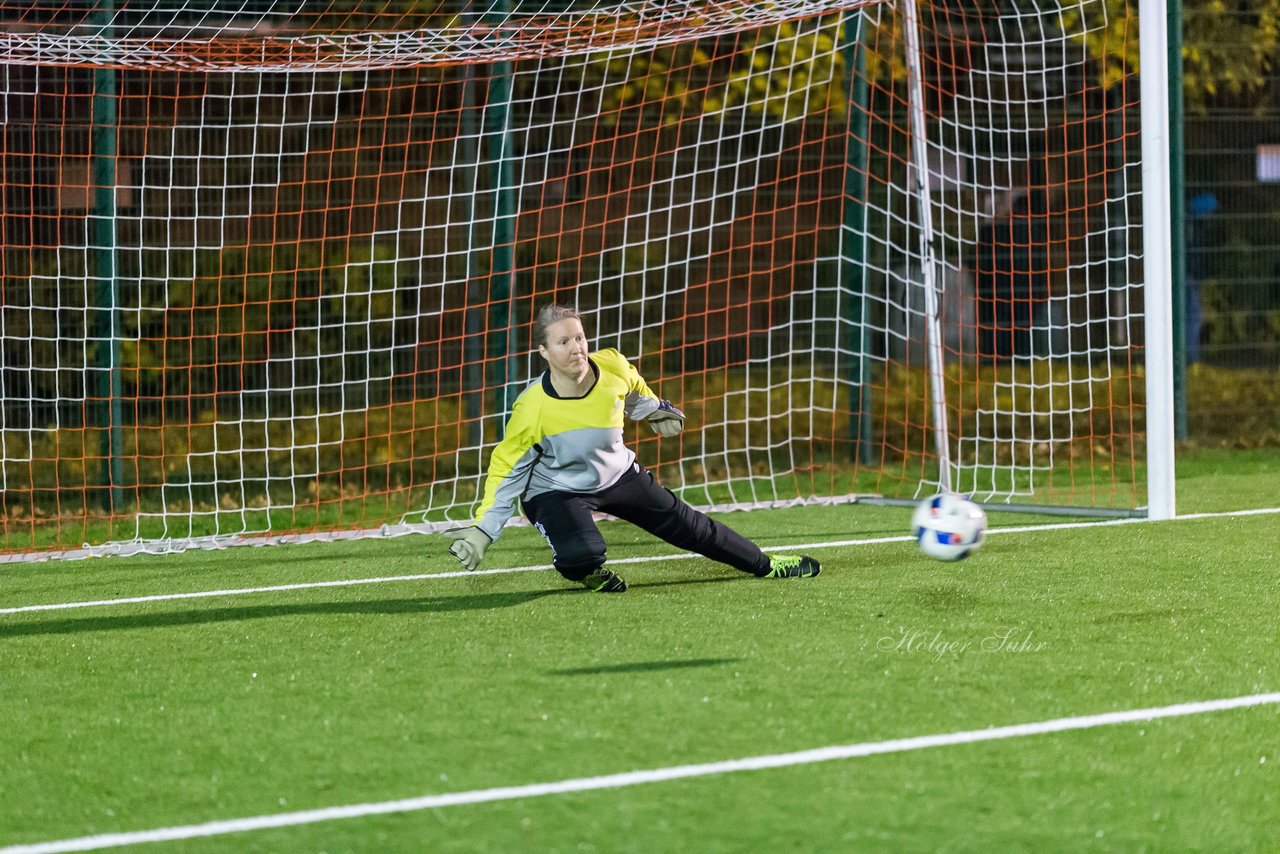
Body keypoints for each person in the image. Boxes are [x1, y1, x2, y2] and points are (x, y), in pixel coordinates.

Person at [443, 304, 821, 592]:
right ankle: (588, 573)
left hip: (618, 475)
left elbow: (636, 391)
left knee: (692, 528)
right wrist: (483, 531)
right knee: (583, 554)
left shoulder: (612, 366)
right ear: (544, 352)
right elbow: (507, 470)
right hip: (556, 491)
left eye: (579, 337)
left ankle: (767, 564)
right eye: (563, 342)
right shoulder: (532, 408)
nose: (576, 348)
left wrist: (658, 410)